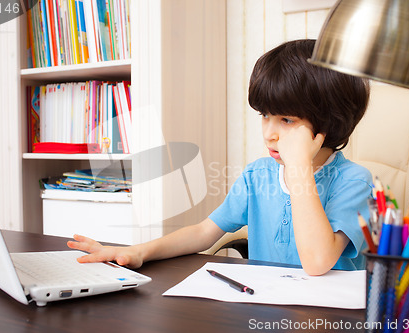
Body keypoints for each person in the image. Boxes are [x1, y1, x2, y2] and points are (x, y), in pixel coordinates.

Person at [68, 39, 373, 276]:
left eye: (287, 120)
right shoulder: (258, 175)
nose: (269, 133)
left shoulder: (354, 182)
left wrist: (300, 171)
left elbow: (318, 261)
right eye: (265, 115)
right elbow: (203, 232)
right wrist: (140, 252)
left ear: (327, 124)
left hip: (325, 317)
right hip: (264, 307)